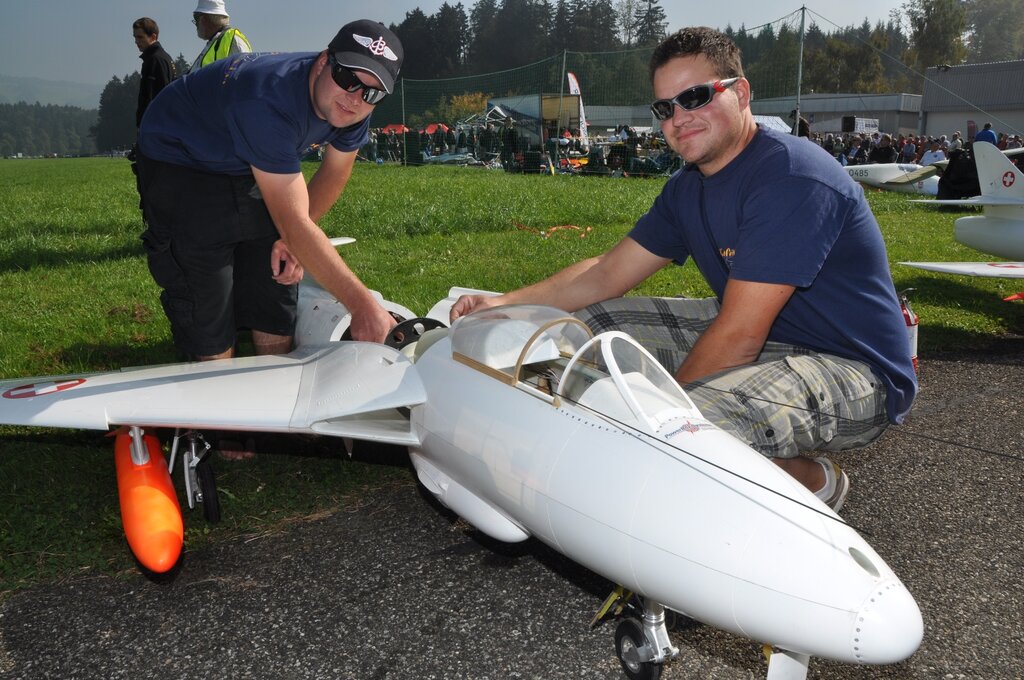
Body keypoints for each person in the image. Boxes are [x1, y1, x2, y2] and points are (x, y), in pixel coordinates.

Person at [451, 26, 917, 512]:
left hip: (854, 368)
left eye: (694, 97)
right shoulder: (687, 186)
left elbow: (738, 336)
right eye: (664, 107)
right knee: (590, 327)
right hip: (765, 335)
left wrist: (655, 423)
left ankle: (809, 480)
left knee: (688, 429)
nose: (678, 118)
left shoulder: (792, 178)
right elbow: (606, 274)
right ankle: (654, 452)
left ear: (740, 92)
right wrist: (503, 303)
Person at [136, 19, 403, 363]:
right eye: (348, 78)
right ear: (324, 62)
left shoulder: (355, 107)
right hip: (180, 157)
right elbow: (293, 222)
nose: (355, 98)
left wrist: (295, 240)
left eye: (372, 92)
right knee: (205, 290)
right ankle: (216, 379)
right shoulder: (267, 98)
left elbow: (336, 171)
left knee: (274, 276)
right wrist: (364, 307)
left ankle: (274, 374)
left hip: (247, 156)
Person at [132, 17, 175, 128]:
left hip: (155, 127)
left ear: (153, 37)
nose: (136, 41)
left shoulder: (155, 60)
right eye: (135, 37)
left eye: (140, 37)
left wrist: (146, 126)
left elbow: (155, 97)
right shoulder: (163, 57)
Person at [188, 0, 251, 73]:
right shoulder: (214, 41)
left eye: (196, 19)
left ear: (203, 19)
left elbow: (244, 73)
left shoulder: (234, 39)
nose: (196, 24)